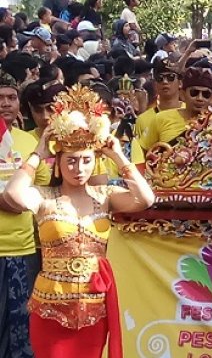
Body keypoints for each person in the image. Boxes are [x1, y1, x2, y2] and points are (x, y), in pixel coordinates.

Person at [2, 85, 155, 357]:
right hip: (50, 309)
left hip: (93, 308)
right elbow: (13, 193)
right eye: (70, 161)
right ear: (57, 163)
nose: (78, 169)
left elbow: (146, 199)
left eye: (86, 161)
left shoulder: (105, 196)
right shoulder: (44, 197)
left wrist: (117, 156)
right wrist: (38, 151)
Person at [0, 71, 51, 358]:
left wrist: (15, 199)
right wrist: (11, 198)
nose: (6, 103)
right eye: (0, 98)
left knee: (22, 335)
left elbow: (43, 187)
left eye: (11, 97)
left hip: (24, 249)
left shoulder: (29, 142)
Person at [141, 67, 212, 149]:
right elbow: (141, 149)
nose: (200, 98)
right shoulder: (161, 118)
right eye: (194, 93)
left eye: (206, 94)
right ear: (182, 95)